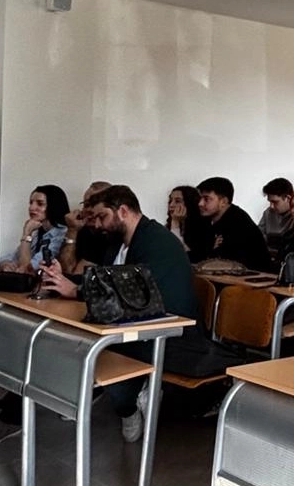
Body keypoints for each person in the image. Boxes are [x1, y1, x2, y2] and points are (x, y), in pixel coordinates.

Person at [41, 185, 200, 442]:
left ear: (123, 211)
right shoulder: (118, 242)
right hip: (133, 321)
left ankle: (128, 404)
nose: (98, 224)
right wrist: (65, 280)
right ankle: (122, 401)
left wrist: (77, 291)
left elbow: (137, 293)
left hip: (167, 332)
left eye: (102, 216)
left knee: (97, 348)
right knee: (70, 337)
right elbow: (106, 281)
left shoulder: (157, 242)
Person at [196, 176, 272, 271]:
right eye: (200, 199)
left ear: (223, 202)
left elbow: (227, 262)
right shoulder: (206, 219)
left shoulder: (238, 223)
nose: (200, 203)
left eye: (206, 199)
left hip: (252, 275)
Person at [0, 185, 70, 273]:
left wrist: (26, 234)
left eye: (40, 204)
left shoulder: (61, 234)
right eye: (31, 203)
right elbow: (10, 257)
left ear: (54, 206)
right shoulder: (38, 233)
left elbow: (27, 269)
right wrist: (4, 264)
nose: (31, 208)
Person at [165, 185, 210, 259]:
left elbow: (181, 253)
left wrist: (175, 224)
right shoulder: (165, 228)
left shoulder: (203, 228)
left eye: (177, 201)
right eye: (170, 201)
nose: (171, 205)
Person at [258, 177, 294, 256]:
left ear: (288, 199)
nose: (271, 206)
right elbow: (257, 237)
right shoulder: (268, 213)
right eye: (270, 202)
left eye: (275, 202)